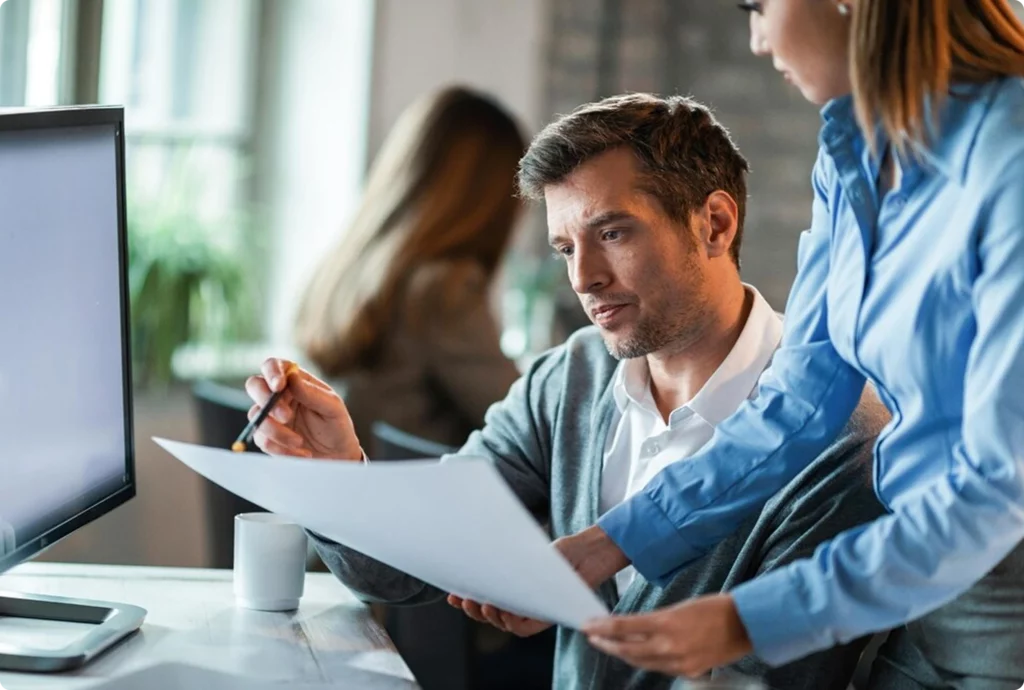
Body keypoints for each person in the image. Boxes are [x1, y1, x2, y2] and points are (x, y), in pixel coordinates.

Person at [246, 93, 889, 689]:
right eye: (564, 247)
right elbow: (400, 571)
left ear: (715, 225)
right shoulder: (572, 377)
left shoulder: (838, 446)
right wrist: (338, 479)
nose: (583, 278)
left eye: (613, 232)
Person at [545, 1, 1024, 686]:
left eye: (759, 6)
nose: (758, 38)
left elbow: (1000, 485)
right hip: (921, 596)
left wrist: (746, 617)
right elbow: (800, 400)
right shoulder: (852, 158)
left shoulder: (1011, 157)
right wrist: (612, 542)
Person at [293, 86, 524, 449]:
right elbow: (524, 423)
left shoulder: (347, 266)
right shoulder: (443, 287)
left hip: (348, 489)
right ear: (488, 200)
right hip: (408, 497)